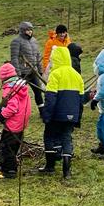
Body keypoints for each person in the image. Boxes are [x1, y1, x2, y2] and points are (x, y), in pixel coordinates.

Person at [38, 46, 85, 179]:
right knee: (66, 138)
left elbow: (50, 97)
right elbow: (80, 100)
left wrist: (46, 115)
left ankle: (50, 166)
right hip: (72, 115)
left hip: (57, 114)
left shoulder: (55, 74)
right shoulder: (77, 76)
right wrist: (78, 118)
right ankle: (67, 171)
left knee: (49, 136)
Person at [0, 62, 31, 179]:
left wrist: (2, 115)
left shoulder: (9, 89)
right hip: (21, 122)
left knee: (7, 147)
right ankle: (9, 167)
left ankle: (9, 171)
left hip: (12, 124)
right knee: (14, 147)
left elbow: (12, 108)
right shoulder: (21, 87)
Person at [9, 21, 44, 108]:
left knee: (38, 92)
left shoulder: (34, 41)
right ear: (22, 30)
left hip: (33, 72)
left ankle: (42, 111)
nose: (30, 32)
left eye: (31, 30)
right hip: (22, 73)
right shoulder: (16, 41)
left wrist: (40, 70)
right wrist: (18, 72)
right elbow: (14, 57)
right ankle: (13, 110)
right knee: (18, 93)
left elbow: (38, 56)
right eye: (27, 30)